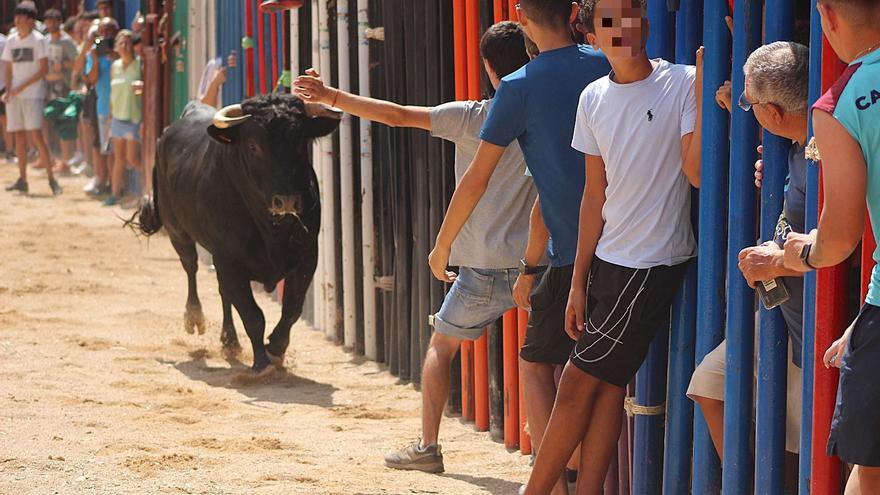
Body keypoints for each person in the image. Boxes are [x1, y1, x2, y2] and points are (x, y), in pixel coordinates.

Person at [295, 20, 536, 475]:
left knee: (441, 348)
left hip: (481, 269)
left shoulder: (472, 117)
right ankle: (551, 456)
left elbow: (397, 113)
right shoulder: (548, 114)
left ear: (487, 67)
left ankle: (428, 446)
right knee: (545, 361)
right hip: (536, 265)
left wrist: (330, 97)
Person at [425, 1, 610, 492]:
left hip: (571, 252)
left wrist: (443, 246)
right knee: (606, 378)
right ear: (572, 12)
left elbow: (475, 180)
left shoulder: (518, 87)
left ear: (523, 17)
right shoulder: (603, 61)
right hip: (628, 243)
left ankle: (553, 476)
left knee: (535, 363)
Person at [523, 0, 703, 492]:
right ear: (591, 33)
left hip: (651, 263)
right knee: (603, 392)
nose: (621, 28)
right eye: (608, 20)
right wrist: (578, 282)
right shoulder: (593, 97)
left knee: (577, 385)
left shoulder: (684, 81)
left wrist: (708, 89)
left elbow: (698, 172)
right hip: (608, 261)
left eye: (629, 15)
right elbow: (593, 197)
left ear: (644, 23)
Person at [688, 41, 809, 464]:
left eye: (750, 102)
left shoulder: (826, 154)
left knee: (834, 450)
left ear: (774, 113)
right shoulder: (798, 144)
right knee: (710, 383)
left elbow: (841, 250)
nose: (746, 107)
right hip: (787, 317)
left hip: (821, 323)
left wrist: (775, 261)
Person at [782, 0, 880, 491]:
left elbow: (841, 236)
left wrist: (799, 253)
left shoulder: (845, 100)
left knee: (870, 468)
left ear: (827, 16)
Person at [2, 1, 61, 196]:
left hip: (32, 94)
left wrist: (20, 87)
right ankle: (22, 179)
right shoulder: (11, 40)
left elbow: (43, 70)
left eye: (20, 16)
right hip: (16, 95)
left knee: (36, 135)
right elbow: (9, 68)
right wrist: (9, 89)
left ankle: (51, 178)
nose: (16, 20)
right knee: (19, 135)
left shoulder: (38, 40)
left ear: (29, 20)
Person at [106, 29, 141, 206]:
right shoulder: (115, 66)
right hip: (118, 117)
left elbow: (146, 88)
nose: (125, 46)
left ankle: (149, 187)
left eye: (128, 42)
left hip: (134, 117)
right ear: (116, 47)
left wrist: (141, 87)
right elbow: (113, 92)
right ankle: (114, 194)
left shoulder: (139, 64)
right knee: (119, 158)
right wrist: (110, 116)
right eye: (121, 43)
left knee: (132, 158)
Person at [84, 17, 118, 198]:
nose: (106, 35)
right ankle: (104, 182)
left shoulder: (120, 51)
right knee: (104, 148)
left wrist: (116, 55)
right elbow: (91, 79)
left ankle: (114, 185)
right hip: (103, 107)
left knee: (114, 151)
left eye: (110, 30)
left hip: (120, 108)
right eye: (103, 31)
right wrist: (95, 59)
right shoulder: (94, 54)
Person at [43, 8, 79, 174]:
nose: (51, 24)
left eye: (54, 21)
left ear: (60, 22)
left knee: (64, 124)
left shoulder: (67, 42)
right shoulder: (44, 41)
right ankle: (50, 158)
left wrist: (64, 65)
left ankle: (66, 161)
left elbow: (78, 63)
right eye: (48, 21)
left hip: (63, 87)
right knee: (48, 123)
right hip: (47, 86)